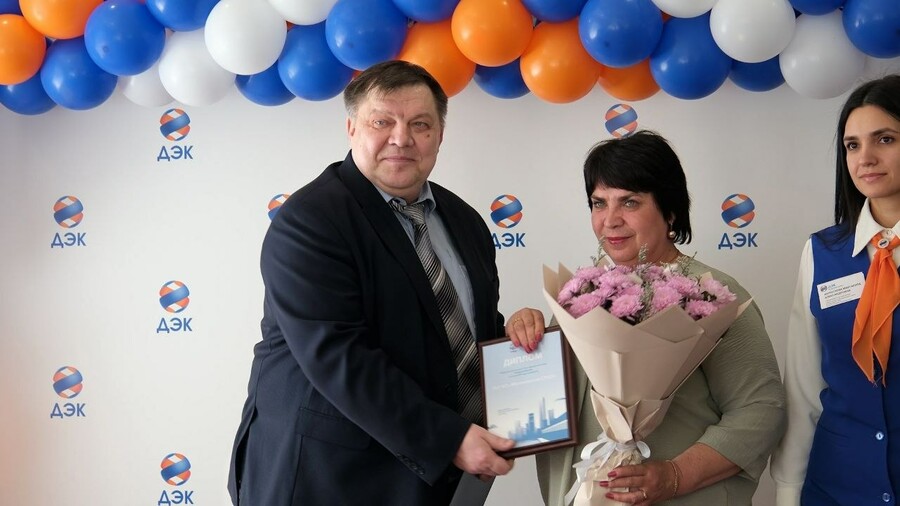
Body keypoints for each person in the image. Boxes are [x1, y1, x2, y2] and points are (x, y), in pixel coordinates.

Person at [227, 60, 516, 506]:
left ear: (440, 135)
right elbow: (338, 357)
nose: (401, 138)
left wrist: (518, 344)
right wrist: (449, 439)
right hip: (328, 480)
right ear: (351, 129)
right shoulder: (310, 221)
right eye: (382, 121)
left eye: (420, 124)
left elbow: (467, 333)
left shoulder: (466, 221)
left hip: (431, 478)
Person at [507, 130, 787, 504]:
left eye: (630, 202)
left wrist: (674, 476)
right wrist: (527, 337)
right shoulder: (581, 293)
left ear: (670, 210)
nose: (610, 220)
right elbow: (539, 418)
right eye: (598, 203)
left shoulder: (712, 295)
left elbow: (760, 411)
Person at [771, 74, 900, 505]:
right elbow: (803, 388)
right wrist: (788, 490)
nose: (866, 158)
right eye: (852, 145)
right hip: (836, 486)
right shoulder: (821, 253)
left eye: (885, 139)